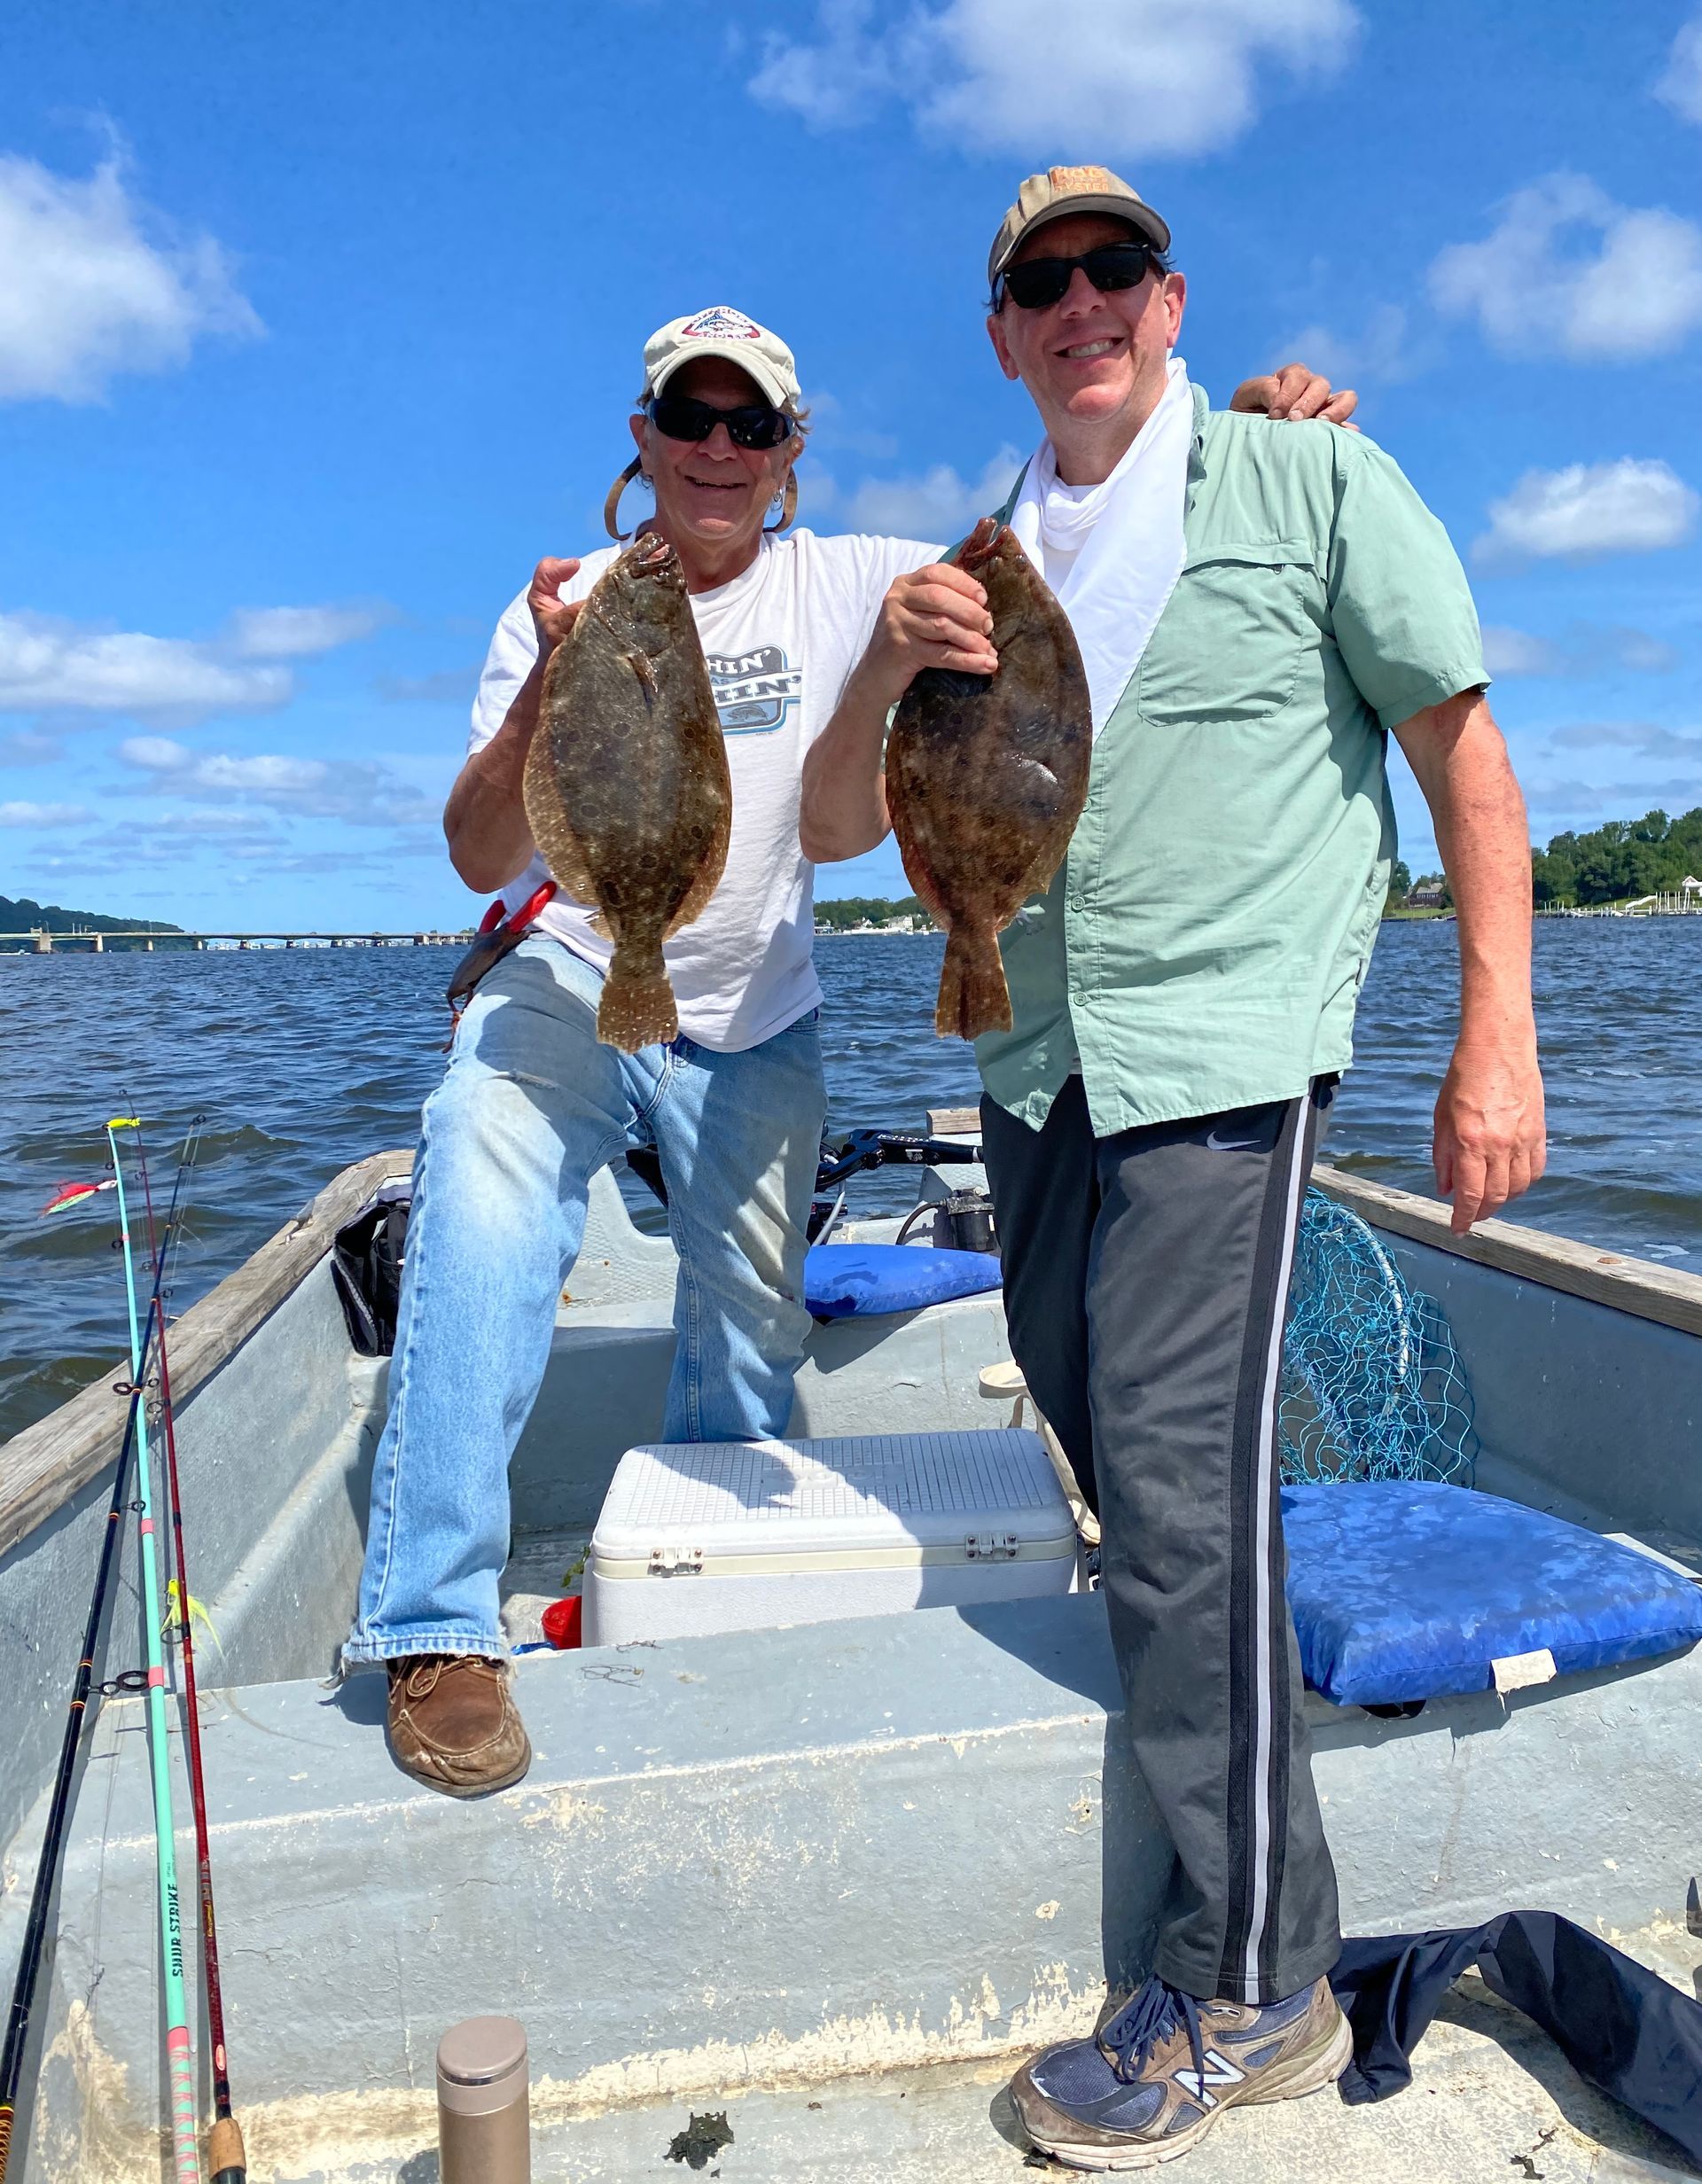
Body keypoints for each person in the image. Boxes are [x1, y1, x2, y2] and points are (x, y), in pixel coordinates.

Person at [342, 299, 1354, 1801]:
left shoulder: (862, 583)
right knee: (483, 1206)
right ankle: (432, 1623)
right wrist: (555, 676)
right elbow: (474, 850)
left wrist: (1232, 443)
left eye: (751, 424)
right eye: (690, 419)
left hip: (758, 1015)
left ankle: (699, 1574)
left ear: (789, 453)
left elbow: (1065, 544)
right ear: (644, 442)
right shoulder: (563, 607)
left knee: (748, 1338)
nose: (718, 449)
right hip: (574, 974)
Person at [800, 167, 1546, 2171]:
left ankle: (1250, 1979)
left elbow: (1463, 755)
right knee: (1121, 1449)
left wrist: (1499, 1031)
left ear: (1169, 292)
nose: (1080, 303)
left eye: (1111, 268)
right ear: (1002, 331)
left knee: (1178, 1468)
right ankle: (1252, 1860)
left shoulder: (1314, 481)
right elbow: (826, 817)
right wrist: (884, 662)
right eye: (1039, 282)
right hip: (1030, 1059)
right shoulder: (972, 559)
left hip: (1228, 1047)